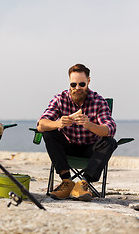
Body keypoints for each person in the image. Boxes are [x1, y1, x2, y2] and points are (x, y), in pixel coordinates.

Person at [37, 63, 117, 201]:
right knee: (49, 133)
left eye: (82, 84)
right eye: (73, 85)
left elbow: (110, 128)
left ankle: (83, 183)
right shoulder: (60, 99)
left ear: (88, 82)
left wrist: (90, 125)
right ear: (69, 83)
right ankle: (66, 181)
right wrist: (58, 123)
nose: (77, 88)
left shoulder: (98, 101)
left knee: (110, 141)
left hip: (90, 148)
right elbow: (41, 124)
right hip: (68, 146)